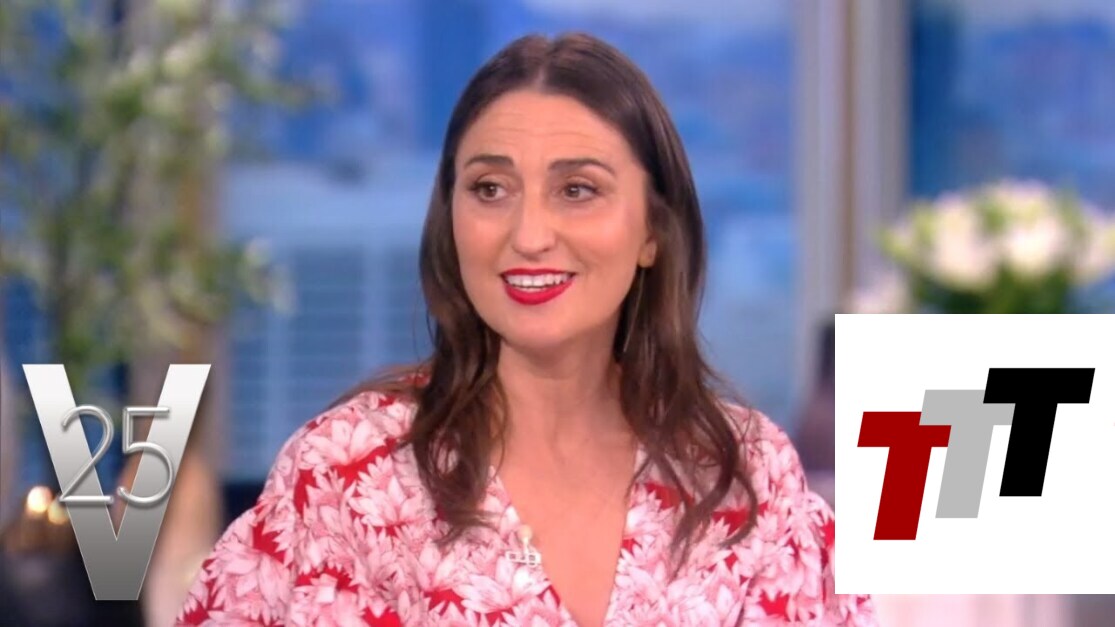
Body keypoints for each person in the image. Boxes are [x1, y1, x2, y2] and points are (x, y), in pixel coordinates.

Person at [176, 33, 877, 626]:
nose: (530, 234)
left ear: (652, 232)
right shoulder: (348, 472)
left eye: (578, 190)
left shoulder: (745, 474)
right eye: (490, 189)